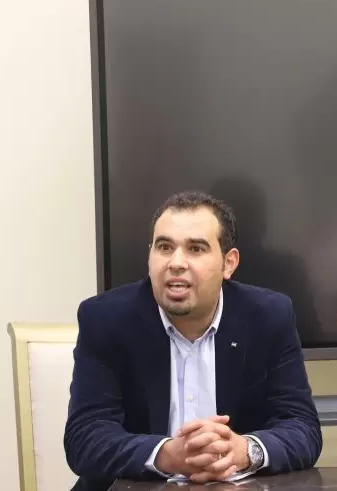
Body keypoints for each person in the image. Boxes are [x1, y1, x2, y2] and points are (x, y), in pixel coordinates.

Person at [64, 191, 322, 491]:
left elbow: (302, 428)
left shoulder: (268, 316)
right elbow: (85, 438)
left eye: (195, 249)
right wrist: (166, 455)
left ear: (228, 263)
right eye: (164, 247)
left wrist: (244, 451)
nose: (176, 263)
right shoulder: (105, 319)